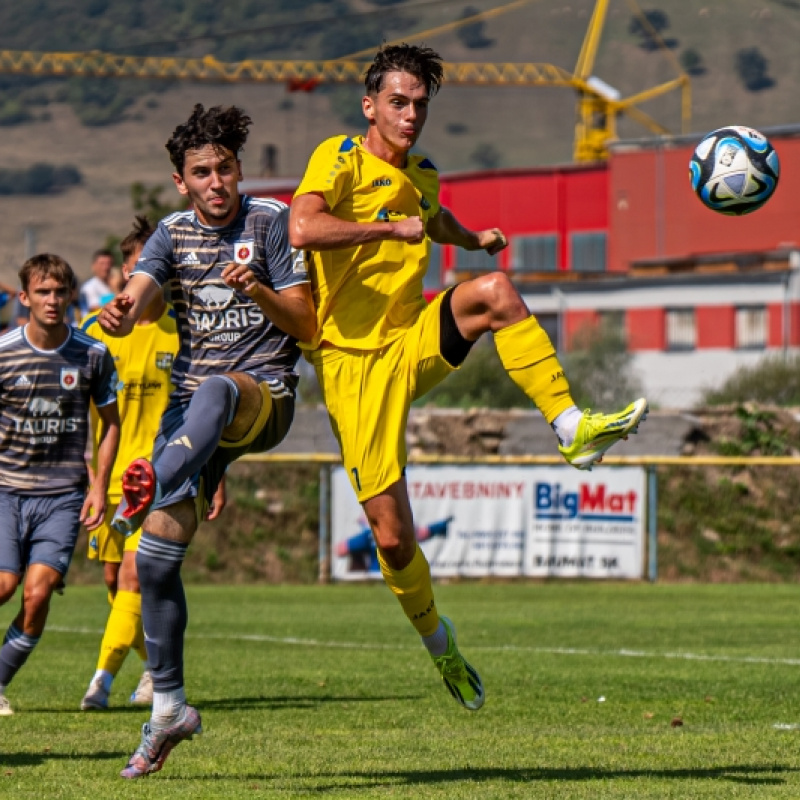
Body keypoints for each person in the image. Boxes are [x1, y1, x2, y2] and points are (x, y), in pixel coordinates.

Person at [288, 43, 648, 713]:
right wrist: (383, 229)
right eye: (397, 102)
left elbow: (430, 217)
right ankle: (439, 644)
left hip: (409, 343)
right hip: (352, 364)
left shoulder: (422, 172)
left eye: (420, 104)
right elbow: (303, 228)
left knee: (495, 292)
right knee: (393, 538)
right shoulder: (337, 158)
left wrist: (471, 239)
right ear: (369, 106)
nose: (410, 115)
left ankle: (571, 427)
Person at [97, 103, 316, 778]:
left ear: (239, 169)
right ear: (180, 181)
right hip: (188, 425)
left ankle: (154, 478)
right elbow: (143, 295)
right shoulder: (170, 233)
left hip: (261, 397)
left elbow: (305, 324)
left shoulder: (272, 223)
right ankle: (168, 707)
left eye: (225, 168)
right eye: (202, 172)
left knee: (218, 388)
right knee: (156, 564)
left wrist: (257, 289)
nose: (216, 181)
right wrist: (124, 308)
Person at [79, 216, 228, 712]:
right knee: (114, 585)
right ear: (125, 271)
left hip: (163, 478)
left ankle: (99, 682)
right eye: (136, 266)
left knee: (134, 580)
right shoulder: (96, 331)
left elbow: (212, 412)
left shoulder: (183, 334)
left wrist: (216, 470)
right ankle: (153, 665)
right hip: (106, 478)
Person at [0, 254, 120, 716]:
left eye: (60, 292)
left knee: (38, 593)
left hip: (62, 496)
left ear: (72, 295)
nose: (52, 300)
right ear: (25, 297)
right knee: (5, 585)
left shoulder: (92, 353)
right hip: (7, 490)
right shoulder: (5, 351)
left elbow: (111, 423)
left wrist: (98, 485)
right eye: (42, 292)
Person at [79, 249, 116, 318]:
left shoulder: (116, 284)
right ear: (94, 266)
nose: (106, 267)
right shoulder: (89, 287)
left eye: (109, 263)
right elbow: (95, 309)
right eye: (102, 264)